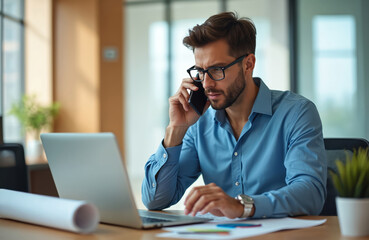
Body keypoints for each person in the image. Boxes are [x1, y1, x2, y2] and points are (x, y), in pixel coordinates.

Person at [141, 12, 327, 219]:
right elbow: (155, 200)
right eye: (200, 71)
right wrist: (175, 130)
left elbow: (311, 193)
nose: (206, 84)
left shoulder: (296, 113)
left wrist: (243, 206)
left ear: (248, 64)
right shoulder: (198, 124)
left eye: (217, 69)